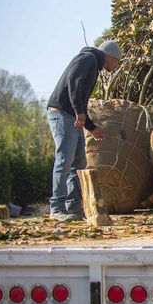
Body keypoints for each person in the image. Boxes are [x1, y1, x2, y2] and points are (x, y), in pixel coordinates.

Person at [46, 40, 122, 221]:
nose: (116, 66)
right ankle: (57, 208)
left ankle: (73, 208)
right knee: (64, 161)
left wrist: (92, 128)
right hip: (62, 114)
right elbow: (73, 83)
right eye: (116, 61)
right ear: (109, 56)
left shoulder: (94, 65)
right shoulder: (88, 58)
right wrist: (78, 111)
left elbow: (80, 98)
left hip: (71, 116)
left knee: (79, 163)